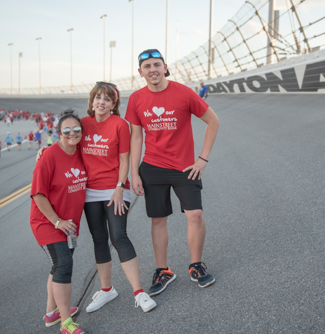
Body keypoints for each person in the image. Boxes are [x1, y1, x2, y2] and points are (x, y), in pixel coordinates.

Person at [38, 83, 157, 314]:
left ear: (114, 104)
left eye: (107, 99)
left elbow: (124, 159)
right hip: (90, 191)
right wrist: (45, 149)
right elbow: (67, 141)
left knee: (119, 236)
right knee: (99, 240)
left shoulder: (120, 125)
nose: (101, 102)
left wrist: (120, 187)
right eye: (98, 97)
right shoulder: (83, 123)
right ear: (92, 100)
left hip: (115, 188)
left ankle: (139, 292)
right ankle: (106, 290)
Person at [126, 49, 220, 295]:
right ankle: (163, 270)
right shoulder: (136, 99)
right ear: (140, 72)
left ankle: (196, 265)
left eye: (157, 65)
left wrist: (202, 159)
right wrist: (134, 173)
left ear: (165, 67)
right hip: (152, 167)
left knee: (196, 215)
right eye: (147, 67)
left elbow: (213, 121)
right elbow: (136, 137)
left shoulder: (184, 93)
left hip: (185, 167)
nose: (152, 70)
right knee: (158, 220)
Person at [30, 111, 86, 334]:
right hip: (48, 222)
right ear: (58, 133)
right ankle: (66, 322)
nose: (72, 133)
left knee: (57, 266)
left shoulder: (81, 152)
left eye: (76, 129)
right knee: (64, 265)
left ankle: (51, 313)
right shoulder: (49, 156)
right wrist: (57, 221)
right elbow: (37, 194)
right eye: (67, 130)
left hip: (69, 224)